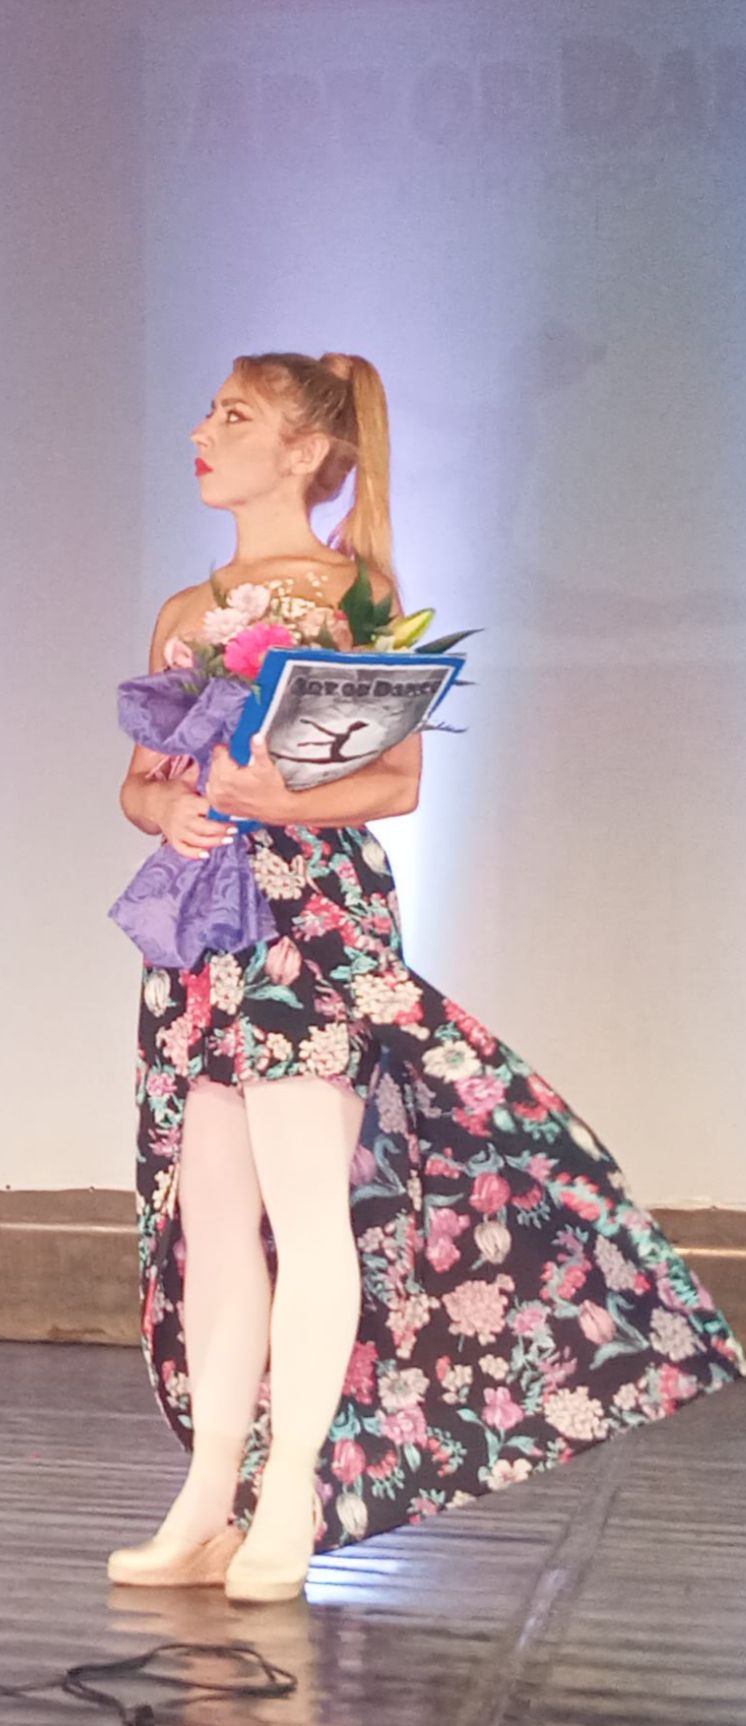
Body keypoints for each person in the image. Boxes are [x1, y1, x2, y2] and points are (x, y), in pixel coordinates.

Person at [109, 350, 739, 1603]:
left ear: (302, 450)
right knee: (212, 1218)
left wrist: (274, 796)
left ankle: (288, 1499)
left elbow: (393, 783)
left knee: (306, 1206)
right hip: (204, 928)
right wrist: (164, 809)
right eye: (208, 410)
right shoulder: (184, 610)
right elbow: (136, 778)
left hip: (312, 925)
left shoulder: (356, 597)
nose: (202, 431)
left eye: (233, 414)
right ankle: (205, 1496)